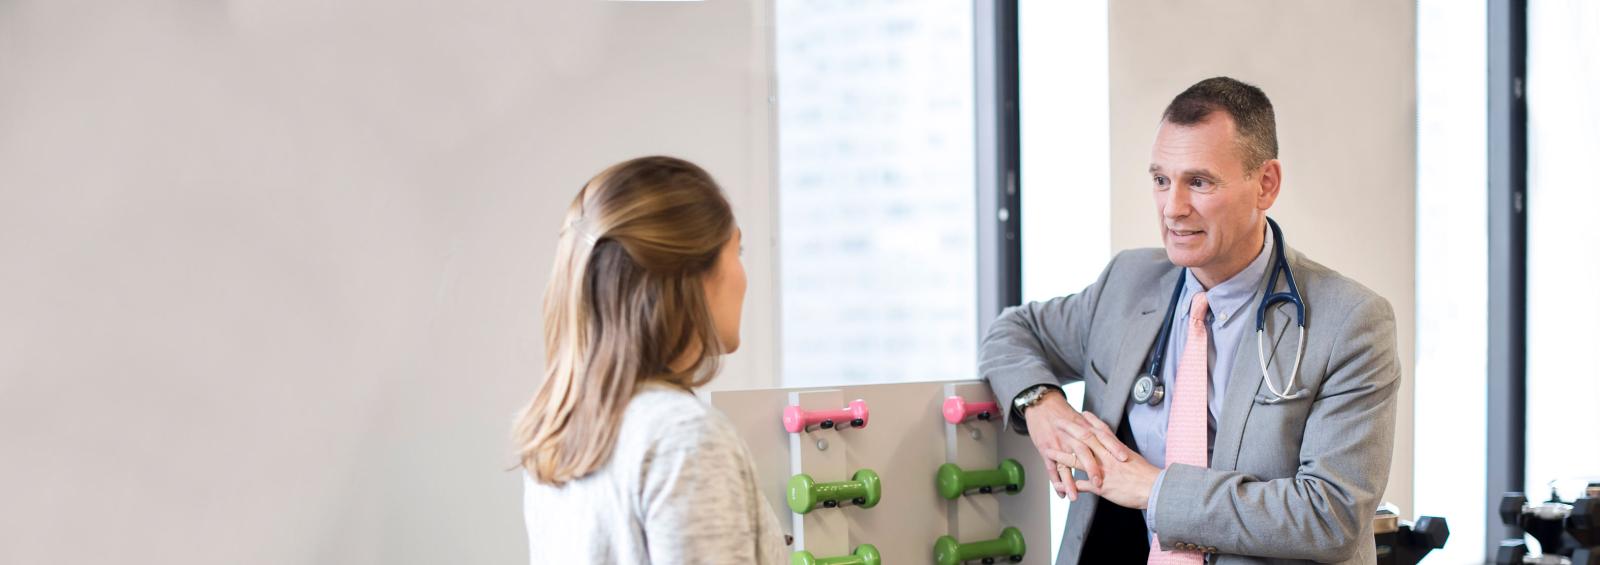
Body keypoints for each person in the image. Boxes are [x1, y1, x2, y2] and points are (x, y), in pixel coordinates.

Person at [981, 77, 1399, 564]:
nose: (1173, 209)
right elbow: (1012, 332)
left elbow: (1331, 517)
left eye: (1199, 182)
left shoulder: (1349, 322)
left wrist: (1154, 490)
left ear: (1266, 184)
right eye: (1161, 180)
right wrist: (1042, 405)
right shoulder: (1127, 283)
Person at [514, 156, 788, 564]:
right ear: (693, 277)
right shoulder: (684, 438)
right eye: (738, 250)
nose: (743, 275)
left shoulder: (560, 430)